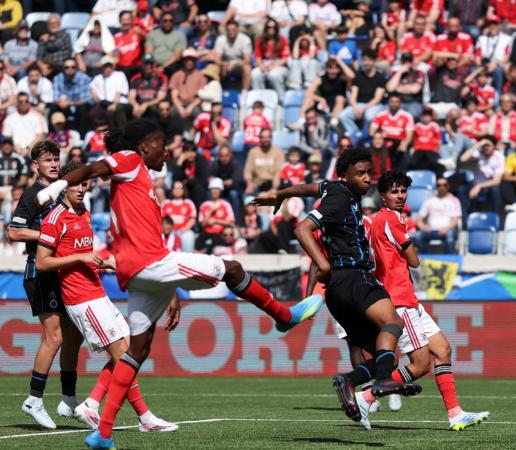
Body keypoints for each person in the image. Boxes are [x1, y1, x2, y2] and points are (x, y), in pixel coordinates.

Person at [36, 119, 324, 449]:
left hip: (140, 275)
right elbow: (95, 167)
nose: (168, 151)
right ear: (145, 146)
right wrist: (56, 187)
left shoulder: (137, 180)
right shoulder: (130, 159)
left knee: (136, 351)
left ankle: (102, 433)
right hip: (151, 262)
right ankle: (283, 317)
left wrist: (169, 290)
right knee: (230, 267)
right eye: (162, 143)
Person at [255, 148, 423, 425]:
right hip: (353, 278)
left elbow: (313, 186)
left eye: (370, 172)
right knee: (393, 323)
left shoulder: (335, 188)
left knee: (388, 356)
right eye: (361, 174)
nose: (368, 178)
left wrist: (283, 194)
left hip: (337, 292)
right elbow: (302, 229)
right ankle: (382, 383)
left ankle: (348, 382)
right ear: (345, 176)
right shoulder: (340, 200)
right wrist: (322, 264)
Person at [36, 160, 177, 432]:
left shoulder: (84, 214)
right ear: (64, 186)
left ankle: (91, 402)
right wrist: (80, 257)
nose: (80, 188)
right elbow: (42, 262)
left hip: (97, 292)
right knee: (124, 353)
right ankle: (145, 418)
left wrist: (107, 261)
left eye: (84, 183)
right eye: (75, 184)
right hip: (81, 299)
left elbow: (85, 257)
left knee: (129, 351)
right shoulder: (55, 218)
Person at [354, 170, 489, 430]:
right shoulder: (392, 219)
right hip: (399, 301)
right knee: (420, 364)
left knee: (443, 350)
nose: (400, 195)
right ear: (382, 196)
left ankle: (455, 413)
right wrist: (410, 252)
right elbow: (414, 261)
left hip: (407, 298)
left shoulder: (377, 220)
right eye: (394, 191)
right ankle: (366, 397)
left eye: (403, 191)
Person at [8, 140, 83, 430]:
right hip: (39, 272)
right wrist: (45, 235)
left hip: (61, 272)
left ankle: (67, 399)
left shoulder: (65, 193)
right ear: (36, 165)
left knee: (74, 334)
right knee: (54, 337)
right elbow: (14, 232)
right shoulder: (33, 195)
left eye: (56, 159)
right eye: (47, 160)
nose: (53, 164)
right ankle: (34, 399)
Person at [340, 49, 387, 139]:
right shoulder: (358, 76)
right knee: (343, 116)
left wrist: (363, 109)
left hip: (374, 105)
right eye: (364, 60)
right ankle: (355, 135)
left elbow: (377, 99)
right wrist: (355, 107)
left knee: (369, 116)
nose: (366, 62)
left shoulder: (380, 77)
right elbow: (353, 96)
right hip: (359, 104)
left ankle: (365, 135)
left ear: (374, 61)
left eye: (369, 60)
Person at [415, 177, 460, 253]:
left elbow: (455, 221)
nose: (442, 187)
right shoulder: (429, 200)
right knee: (418, 235)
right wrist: (423, 227)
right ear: (436, 187)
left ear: (448, 186)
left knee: (450, 235)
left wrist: (446, 228)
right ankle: (426, 260)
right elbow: (419, 219)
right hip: (431, 231)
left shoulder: (454, 200)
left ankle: (448, 260)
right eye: (439, 185)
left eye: (444, 185)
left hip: (448, 230)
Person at [145, 12, 187, 76]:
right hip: (154, 64)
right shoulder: (153, 34)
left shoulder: (180, 35)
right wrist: (152, 66)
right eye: (165, 21)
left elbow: (177, 56)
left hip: (170, 64)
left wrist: (163, 66)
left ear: (174, 22)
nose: (168, 23)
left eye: (171, 21)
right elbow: (149, 52)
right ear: (161, 21)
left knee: (174, 68)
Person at [244, 128, 284, 194]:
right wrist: (249, 183)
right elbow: (248, 170)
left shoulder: (278, 152)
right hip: (257, 185)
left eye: (268, 137)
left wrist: (274, 188)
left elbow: (278, 173)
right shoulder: (253, 152)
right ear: (259, 138)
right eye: (263, 137)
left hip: (272, 184)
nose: (266, 140)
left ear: (271, 138)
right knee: (247, 197)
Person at [215, 20, 253, 91]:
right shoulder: (221, 39)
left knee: (247, 68)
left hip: (239, 65)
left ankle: (244, 94)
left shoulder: (245, 39)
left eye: (233, 30)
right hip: (225, 64)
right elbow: (217, 59)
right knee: (214, 67)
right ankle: (217, 92)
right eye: (228, 30)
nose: (231, 32)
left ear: (238, 29)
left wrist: (234, 64)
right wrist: (224, 64)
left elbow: (247, 60)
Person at [128, 55, 169, 120]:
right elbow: (131, 97)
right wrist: (135, 105)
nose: (148, 66)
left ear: (154, 65)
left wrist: (146, 104)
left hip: (154, 104)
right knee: (121, 107)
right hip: (139, 104)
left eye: (150, 64)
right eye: (146, 64)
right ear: (142, 65)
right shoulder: (135, 78)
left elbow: (160, 98)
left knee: (153, 108)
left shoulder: (161, 78)